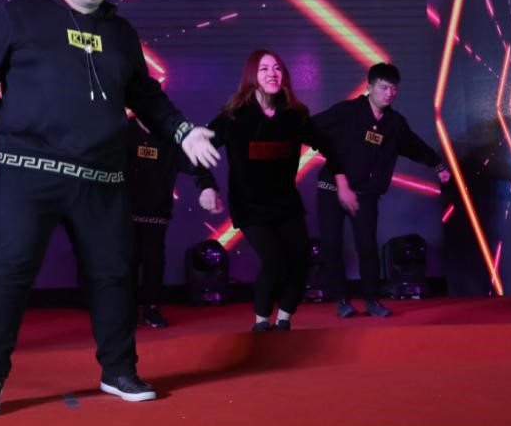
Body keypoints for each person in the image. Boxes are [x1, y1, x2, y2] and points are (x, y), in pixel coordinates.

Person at [0, 0, 219, 418]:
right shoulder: (20, 16)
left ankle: (118, 370)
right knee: (8, 272)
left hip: (102, 178)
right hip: (29, 171)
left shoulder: (121, 33)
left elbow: (145, 95)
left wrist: (182, 132)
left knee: (114, 274)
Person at [204, 49, 343, 332]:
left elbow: (329, 145)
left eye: (277, 68)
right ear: (252, 76)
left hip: (285, 203)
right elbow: (198, 150)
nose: (272, 74)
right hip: (249, 205)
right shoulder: (234, 116)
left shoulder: (294, 116)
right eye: (264, 68)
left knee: (301, 260)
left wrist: (341, 180)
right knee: (274, 259)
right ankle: (261, 322)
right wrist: (206, 186)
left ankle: (283, 320)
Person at [311, 62, 450, 318]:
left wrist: (437, 164)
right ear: (369, 87)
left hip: (365, 194)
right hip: (332, 189)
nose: (389, 93)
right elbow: (312, 128)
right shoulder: (347, 111)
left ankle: (372, 300)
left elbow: (414, 146)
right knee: (331, 245)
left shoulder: (394, 123)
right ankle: (342, 300)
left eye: (394, 89)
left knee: (367, 247)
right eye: (384, 87)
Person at [125, 114, 221, 328]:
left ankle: (151, 308)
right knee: (126, 261)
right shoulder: (123, 130)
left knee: (154, 262)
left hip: (156, 213)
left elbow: (195, 164)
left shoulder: (170, 136)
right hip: (124, 213)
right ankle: (126, 310)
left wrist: (207, 187)